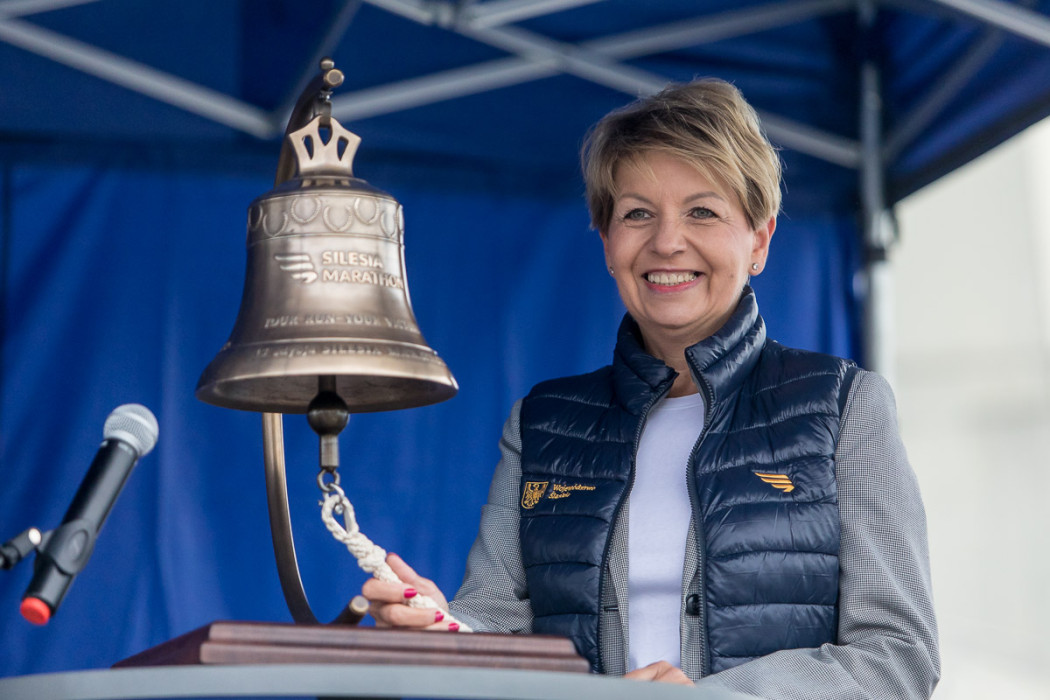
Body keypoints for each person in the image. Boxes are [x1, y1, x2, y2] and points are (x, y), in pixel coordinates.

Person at [362, 78, 940, 699]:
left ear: (759, 240)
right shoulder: (542, 422)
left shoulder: (843, 406)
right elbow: (496, 623)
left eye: (702, 212)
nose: (666, 242)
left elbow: (897, 655)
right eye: (637, 213)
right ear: (607, 243)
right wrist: (446, 631)